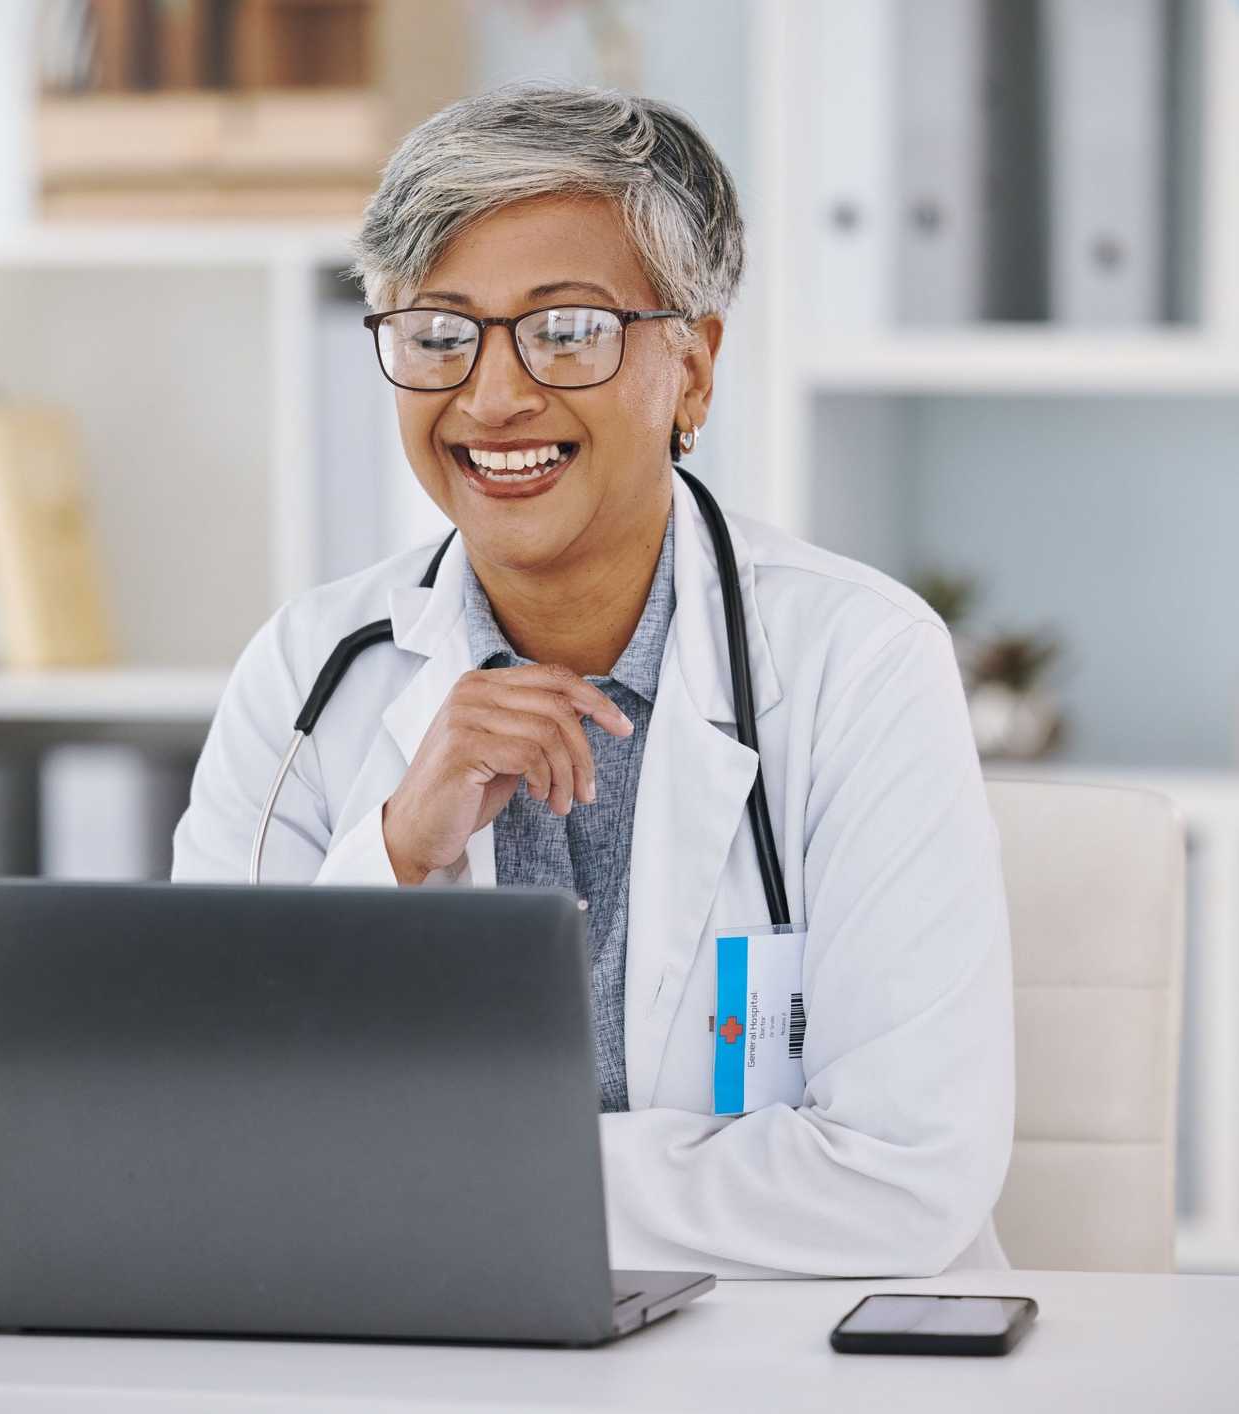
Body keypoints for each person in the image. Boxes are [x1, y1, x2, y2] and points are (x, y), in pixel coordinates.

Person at [172, 80, 1014, 1279]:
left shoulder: (860, 662)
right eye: (438, 333)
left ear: (695, 367)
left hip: (798, 1358)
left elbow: (902, 1178)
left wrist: (435, 1180)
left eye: (567, 328)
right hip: (424, 1350)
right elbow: (200, 1124)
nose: (494, 394)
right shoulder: (311, 672)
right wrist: (398, 849)